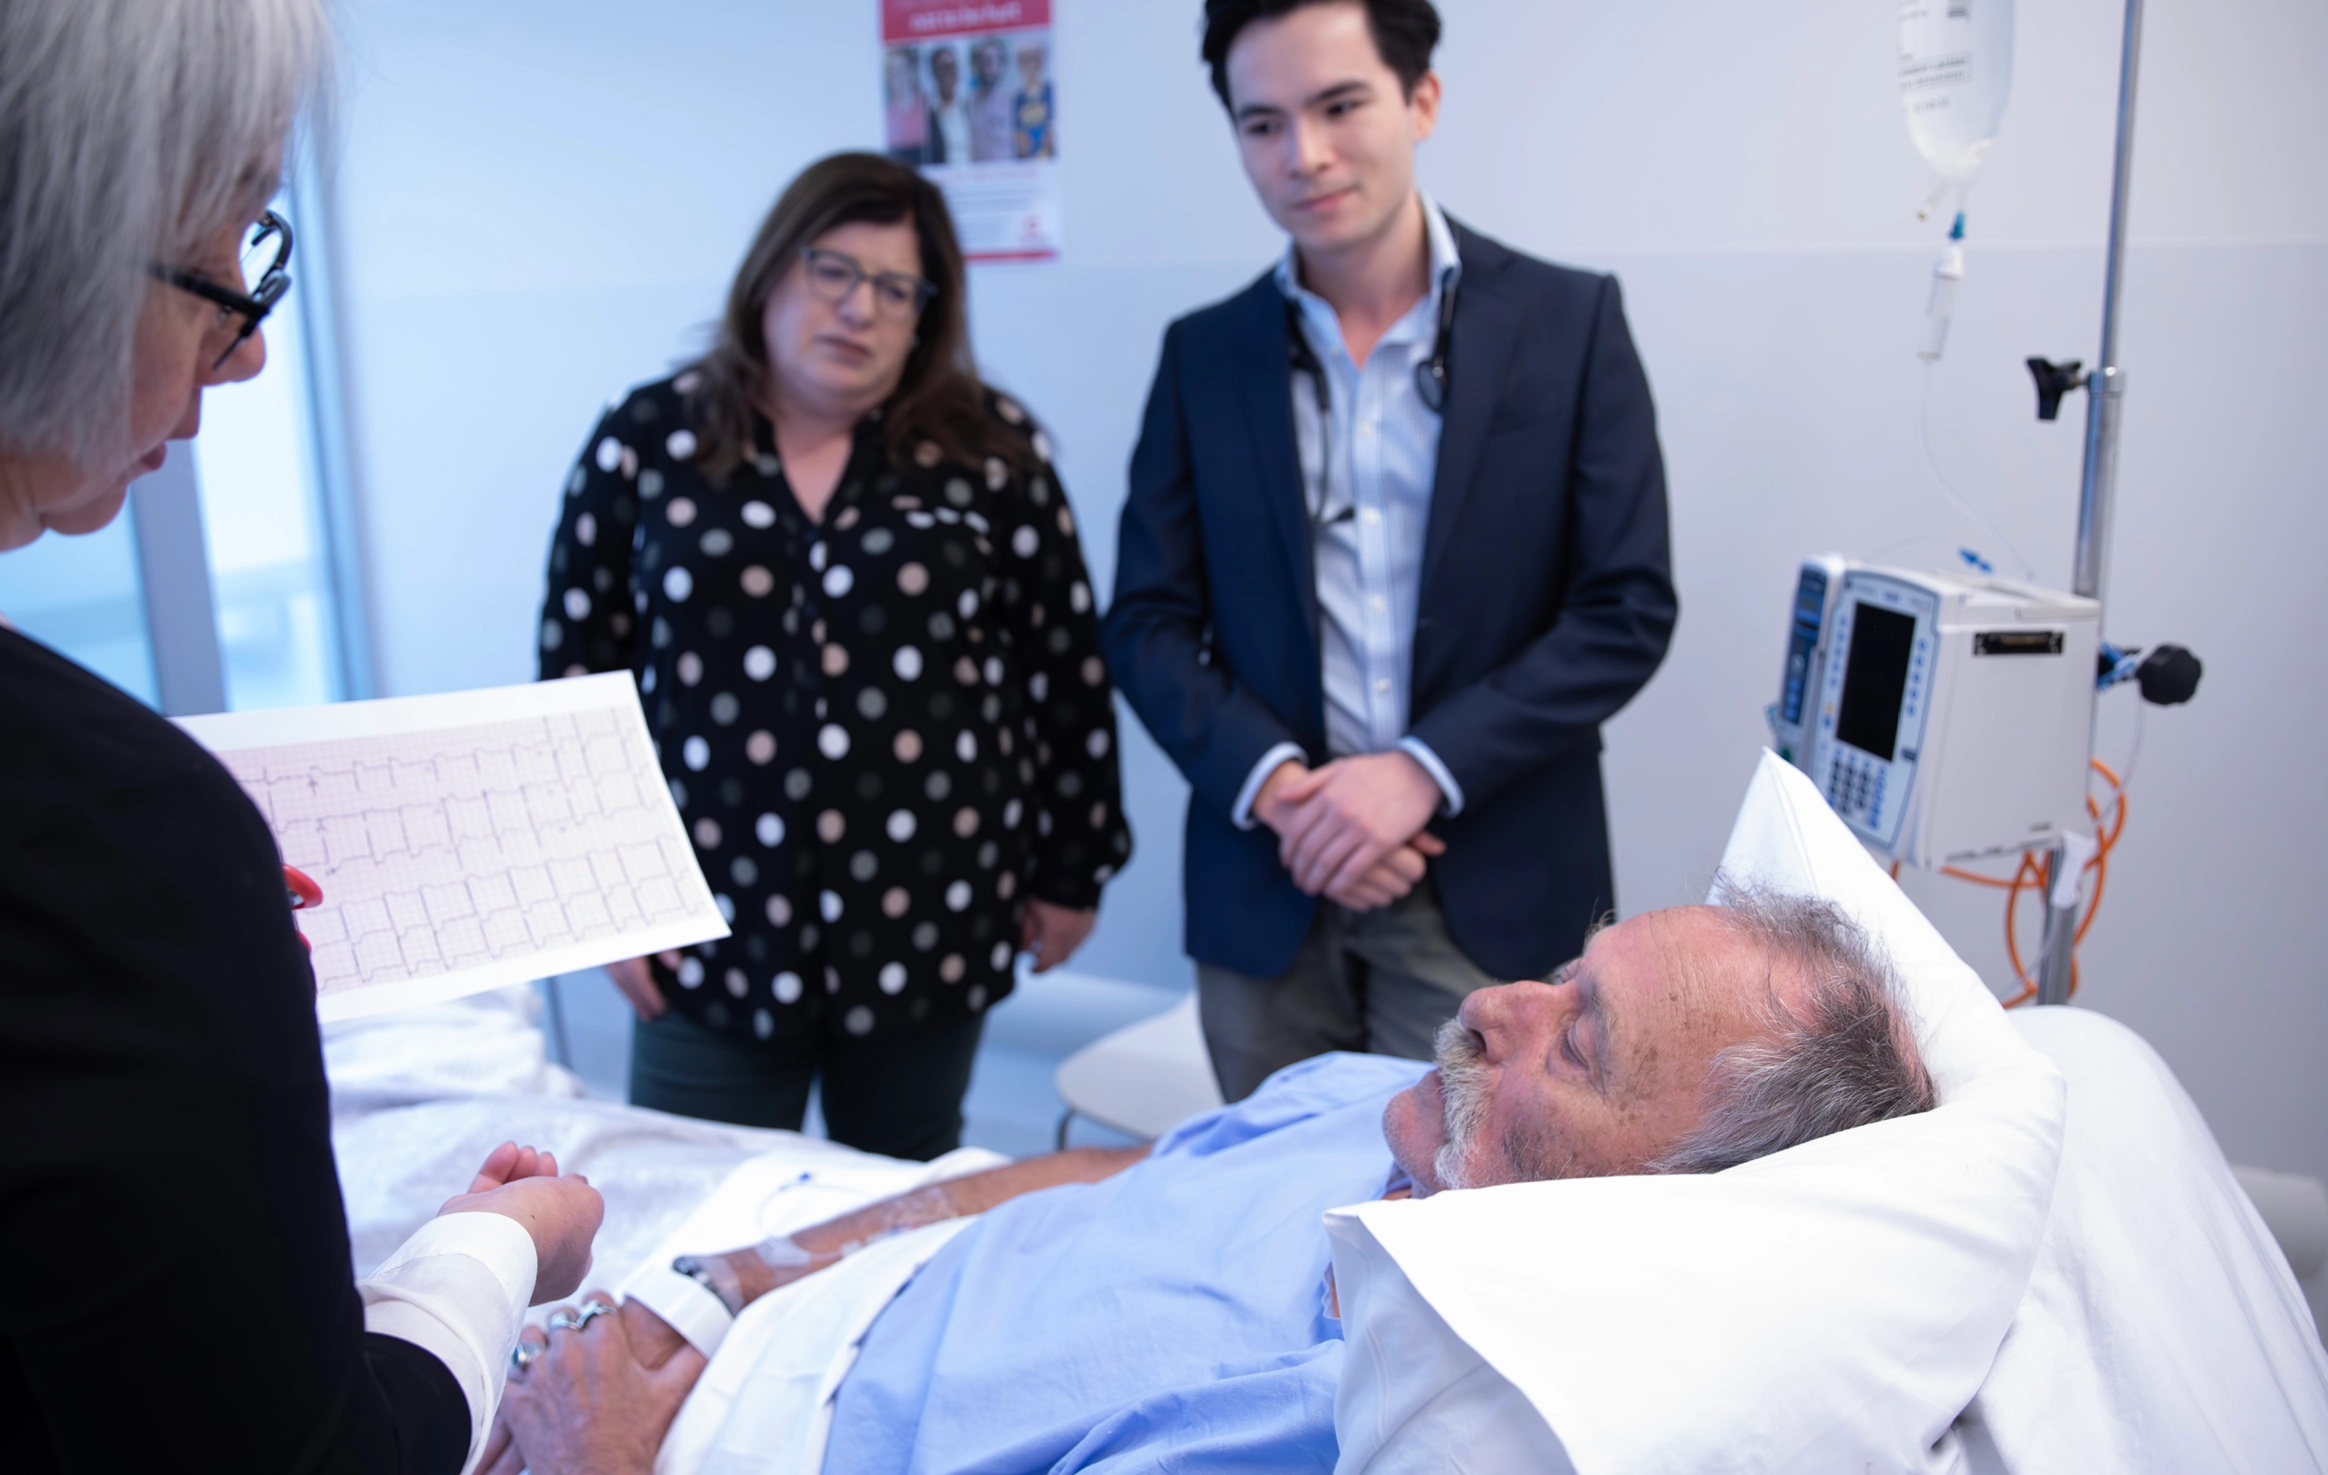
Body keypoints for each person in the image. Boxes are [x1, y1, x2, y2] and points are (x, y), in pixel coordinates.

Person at [0, 2, 601, 1470]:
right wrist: (490, 1246)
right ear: (21, 244)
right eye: (231, 247)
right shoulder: (86, 829)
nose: (241, 359)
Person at [481, 886, 1938, 1474]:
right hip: (799, 1295)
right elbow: (1106, 1175)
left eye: (1585, 1035)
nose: (1500, 999)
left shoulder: (1357, 1395)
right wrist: (747, 1272)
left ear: (1660, 1197)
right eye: (1566, 971)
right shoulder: (1371, 1106)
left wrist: (608, 1452)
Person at [1103, 0, 1678, 1100]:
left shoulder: (1568, 324)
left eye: (1337, 106)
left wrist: (1415, 774)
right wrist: (1284, 793)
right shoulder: (1203, 356)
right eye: (1260, 123)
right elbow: (1146, 621)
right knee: (1271, 1204)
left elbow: (1622, 608)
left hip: (1489, 873)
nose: (1301, 155)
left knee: (1480, 1225)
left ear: (1420, 99)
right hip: (1268, 883)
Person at [539, 152, 1129, 1160]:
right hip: (706, 922)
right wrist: (605, 896)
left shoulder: (991, 454)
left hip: (931, 913)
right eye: (834, 271)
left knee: (886, 1212)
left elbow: (1063, 673)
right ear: (773, 271)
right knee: (689, 1208)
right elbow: (574, 682)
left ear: (924, 314)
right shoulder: (647, 440)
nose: (860, 308)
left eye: (895, 288)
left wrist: (1070, 867)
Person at [925, 46, 970, 165]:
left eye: (952, 66)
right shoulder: (927, 112)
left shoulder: (969, 106)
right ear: (934, 72)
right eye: (943, 68)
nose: (949, 72)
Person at [884, 48, 929, 165]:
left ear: (911, 72)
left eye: (903, 69)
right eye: (894, 71)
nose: (900, 76)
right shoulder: (887, 113)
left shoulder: (926, 105)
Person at [1013, 42, 1056, 159]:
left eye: (1031, 59)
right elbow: (1016, 130)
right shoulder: (1018, 99)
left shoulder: (1050, 92)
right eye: (1023, 61)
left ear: (1039, 62)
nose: (1028, 65)